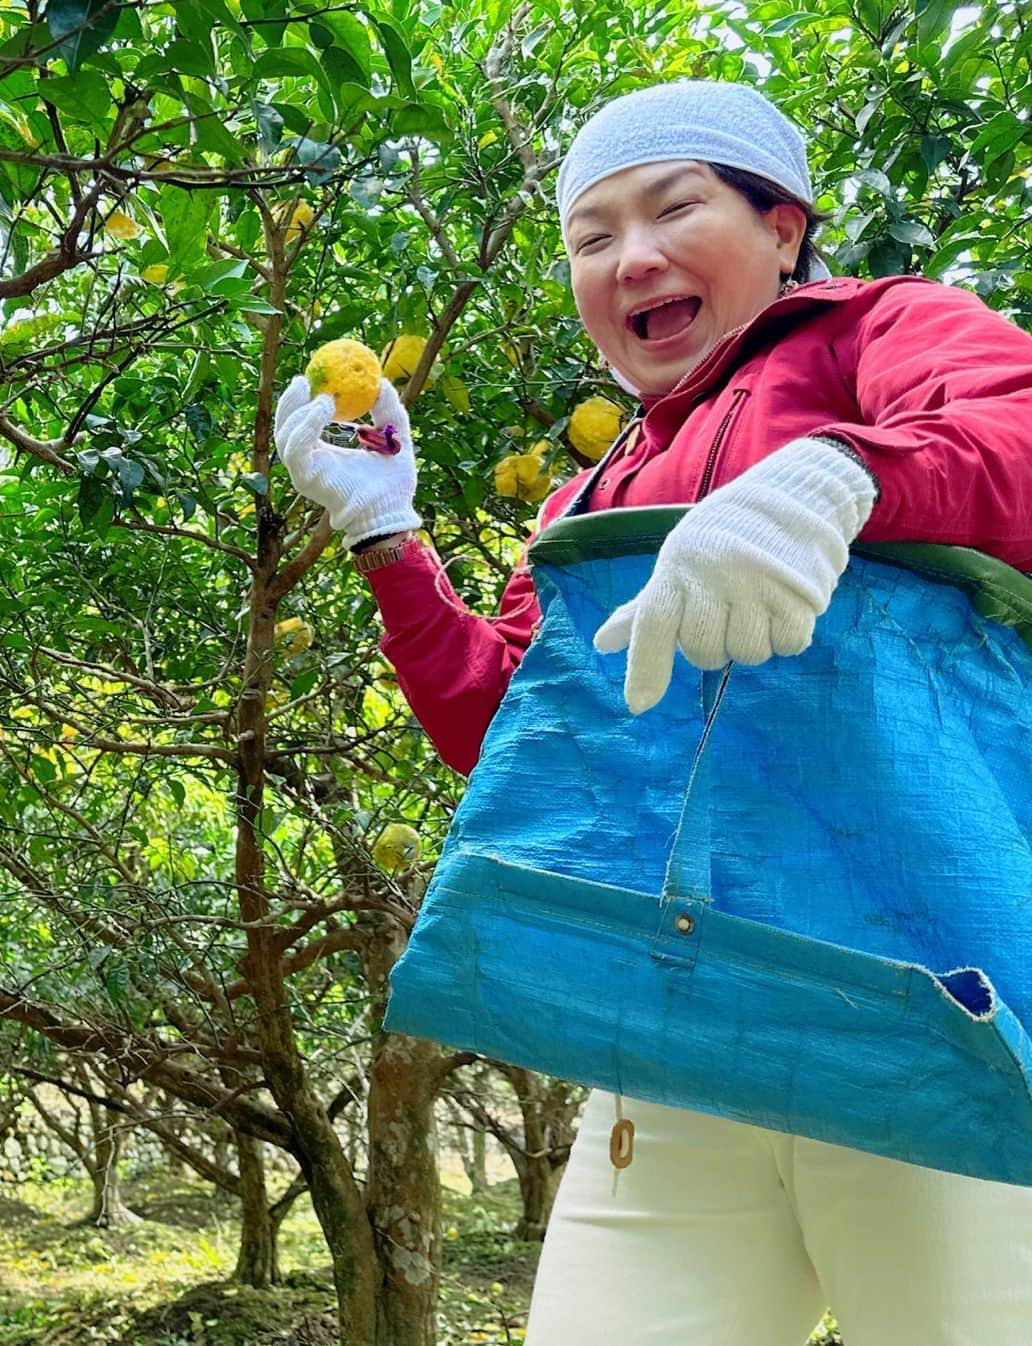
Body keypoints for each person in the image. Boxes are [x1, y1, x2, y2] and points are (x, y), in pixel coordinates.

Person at [275, 81, 1032, 1346]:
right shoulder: (589, 495)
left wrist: (847, 470)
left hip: (922, 1012)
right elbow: (512, 731)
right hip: (673, 1033)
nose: (631, 256)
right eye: (591, 236)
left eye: (676, 207)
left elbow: (1011, 427)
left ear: (783, 226)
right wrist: (387, 534)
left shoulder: (878, 332)